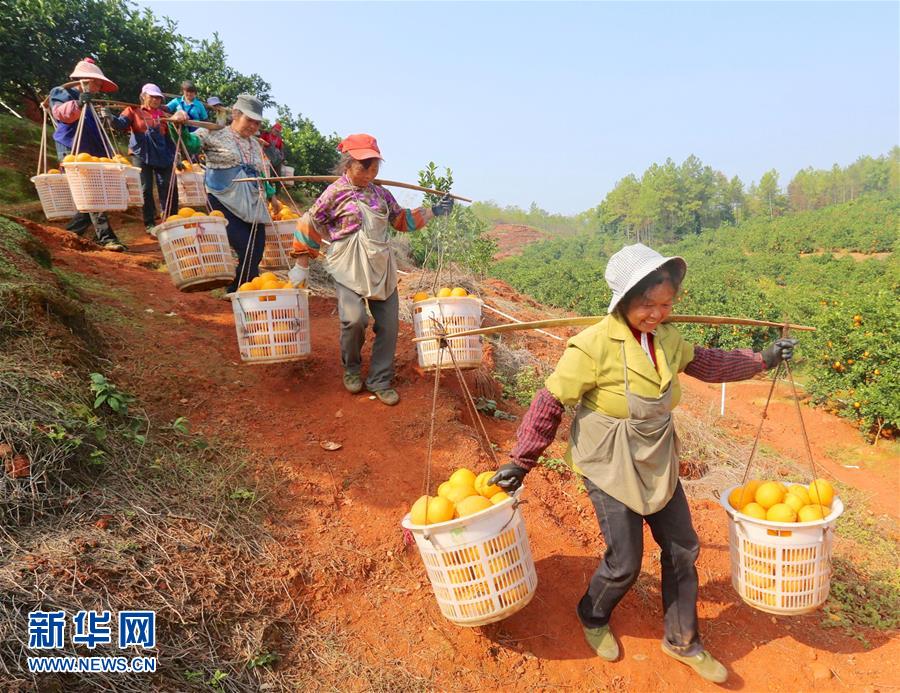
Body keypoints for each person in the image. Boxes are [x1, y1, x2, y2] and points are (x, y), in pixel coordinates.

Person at [488, 243, 798, 684]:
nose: (657, 314)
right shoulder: (592, 345)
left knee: (682, 548)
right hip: (608, 459)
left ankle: (682, 640)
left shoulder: (667, 339)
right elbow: (551, 401)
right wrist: (521, 461)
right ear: (623, 301)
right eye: (647, 305)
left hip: (656, 454)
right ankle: (593, 614)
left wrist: (761, 360)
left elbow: (706, 363)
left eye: (666, 305)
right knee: (625, 561)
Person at [289, 133, 454, 406]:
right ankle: (352, 368)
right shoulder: (335, 193)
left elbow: (401, 220)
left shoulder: (381, 194)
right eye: (363, 166)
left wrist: (434, 211)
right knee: (354, 320)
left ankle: (380, 379)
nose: (370, 172)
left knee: (389, 324)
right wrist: (301, 264)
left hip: (380, 265)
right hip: (347, 265)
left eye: (374, 166)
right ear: (348, 164)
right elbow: (310, 222)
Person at [174, 93, 281, 293]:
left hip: (252, 203)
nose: (253, 126)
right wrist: (178, 124)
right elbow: (190, 143)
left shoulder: (255, 144)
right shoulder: (214, 132)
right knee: (245, 246)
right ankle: (239, 292)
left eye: (257, 123)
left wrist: (272, 196)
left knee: (257, 250)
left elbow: (260, 174)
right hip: (222, 200)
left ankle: (240, 291)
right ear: (235, 114)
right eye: (249, 120)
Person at [48, 58, 126, 251]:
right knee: (92, 194)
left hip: (91, 151)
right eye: (97, 84)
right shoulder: (62, 92)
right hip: (72, 149)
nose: (98, 88)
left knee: (90, 196)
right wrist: (78, 104)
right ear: (85, 80)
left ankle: (69, 236)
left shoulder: (90, 101)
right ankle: (106, 238)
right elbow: (61, 114)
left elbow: (95, 131)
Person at [103, 83, 179, 235]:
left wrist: (176, 155)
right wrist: (110, 117)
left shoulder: (164, 115)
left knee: (168, 185)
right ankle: (149, 222)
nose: (156, 100)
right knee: (146, 188)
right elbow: (120, 124)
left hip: (162, 153)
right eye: (152, 97)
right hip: (141, 153)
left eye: (158, 98)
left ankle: (172, 219)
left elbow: (170, 137)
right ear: (144, 96)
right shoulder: (133, 110)